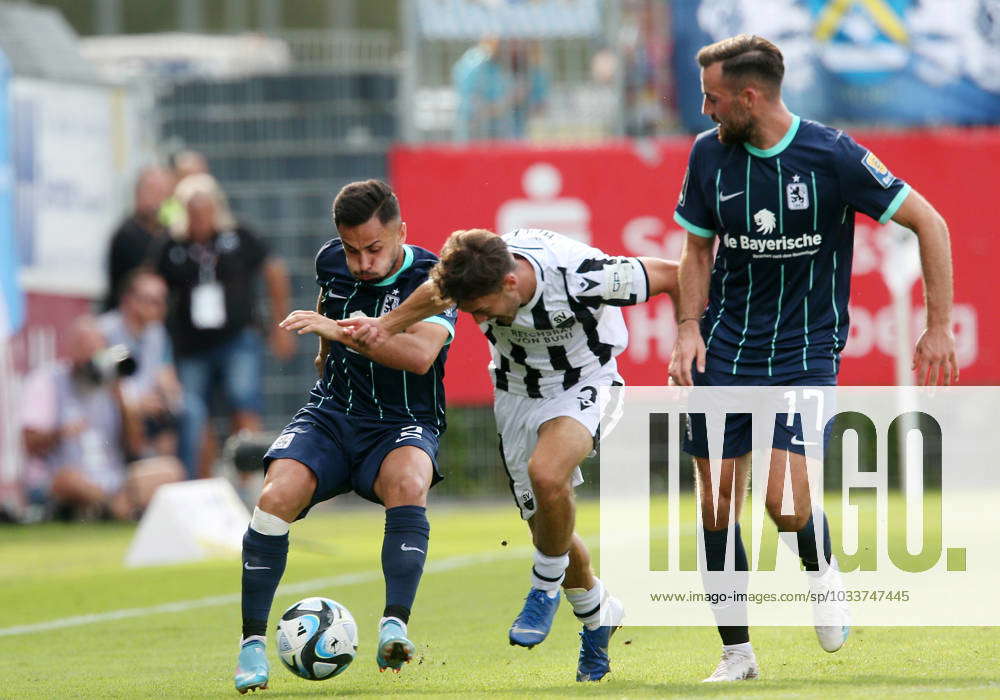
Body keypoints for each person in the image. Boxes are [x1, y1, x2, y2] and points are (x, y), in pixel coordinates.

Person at [667, 34, 958, 682]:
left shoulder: (831, 155)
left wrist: (938, 328)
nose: (705, 110)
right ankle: (737, 654)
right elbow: (695, 251)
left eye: (713, 98)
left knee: (786, 504)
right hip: (725, 353)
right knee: (716, 505)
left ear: (750, 96)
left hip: (805, 355)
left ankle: (820, 567)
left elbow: (930, 223)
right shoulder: (707, 155)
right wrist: (688, 327)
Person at [339, 227, 679, 682]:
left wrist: (692, 334)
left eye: (480, 310)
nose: (476, 318)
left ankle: (543, 589)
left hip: (588, 382)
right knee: (547, 524)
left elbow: (676, 275)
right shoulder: (471, 277)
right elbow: (435, 296)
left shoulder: (582, 275)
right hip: (516, 393)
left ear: (510, 284)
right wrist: (383, 326)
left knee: (547, 474)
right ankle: (598, 613)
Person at [233, 180, 457, 693]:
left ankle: (394, 626)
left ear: (402, 231)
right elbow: (329, 303)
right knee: (274, 497)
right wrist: (324, 354)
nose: (362, 262)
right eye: (353, 249)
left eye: (374, 249)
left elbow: (420, 356)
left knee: (409, 481)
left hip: (402, 418)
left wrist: (336, 331)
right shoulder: (330, 261)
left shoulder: (434, 277)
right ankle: (250, 646)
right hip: (334, 413)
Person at [156, 173, 294, 479]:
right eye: (193, 212)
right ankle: (204, 484)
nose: (200, 219)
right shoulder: (171, 247)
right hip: (191, 345)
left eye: (205, 211)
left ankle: (249, 481)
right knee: (195, 414)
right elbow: (155, 290)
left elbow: (274, 270)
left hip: (238, 338)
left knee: (244, 404)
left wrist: (279, 324)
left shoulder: (239, 236)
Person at [20, 316, 183, 520]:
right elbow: (28, 442)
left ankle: (108, 508)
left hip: (111, 479)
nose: (90, 355)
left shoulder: (116, 385)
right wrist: (60, 433)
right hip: (66, 477)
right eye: (84, 346)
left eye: (96, 347)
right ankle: (113, 509)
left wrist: (122, 401)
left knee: (170, 470)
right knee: (68, 479)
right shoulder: (48, 380)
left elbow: (135, 447)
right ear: (71, 348)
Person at [98, 268, 183, 458]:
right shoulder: (103, 332)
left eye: (163, 301)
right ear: (130, 300)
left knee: (188, 412)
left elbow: (166, 376)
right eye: (154, 301)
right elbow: (104, 385)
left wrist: (167, 398)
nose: (161, 308)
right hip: (114, 405)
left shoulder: (157, 333)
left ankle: (173, 480)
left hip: (148, 404)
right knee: (129, 415)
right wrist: (136, 401)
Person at [104, 166, 174, 311]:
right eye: (152, 191)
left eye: (163, 192)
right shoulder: (126, 234)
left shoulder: (173, 235)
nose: (158, 199)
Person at [452, 36, 512, 141]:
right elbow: (472, 101)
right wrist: (502, 105)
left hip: (495, 129)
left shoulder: (495, 65)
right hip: (475, 127)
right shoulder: (474, 63)